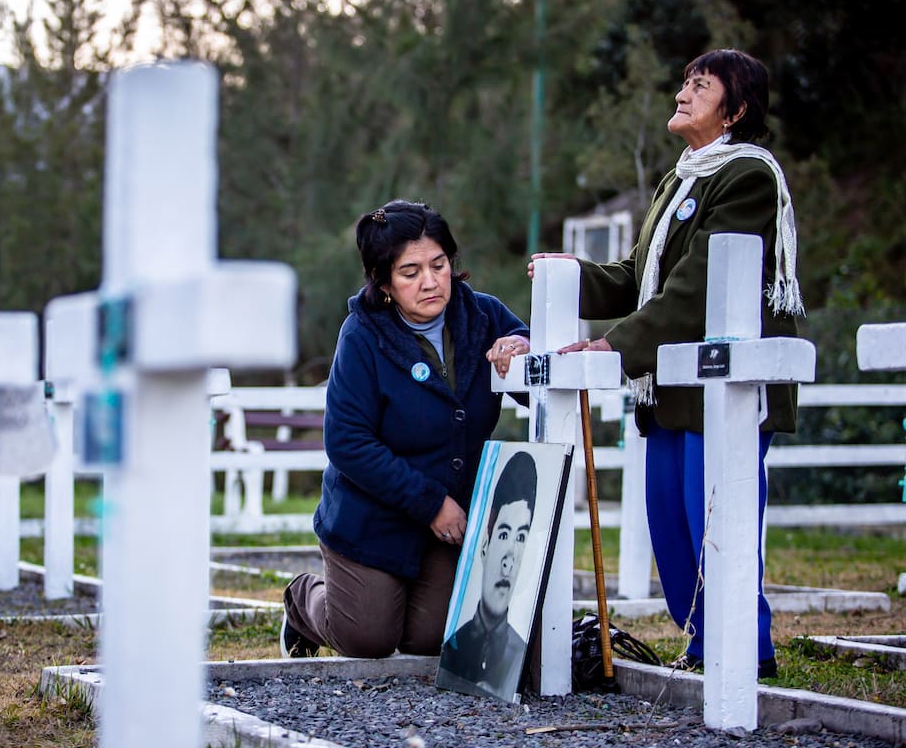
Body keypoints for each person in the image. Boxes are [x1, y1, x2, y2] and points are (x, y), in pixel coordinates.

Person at [531, 48, 803, 679]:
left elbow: (696, 286)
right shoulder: (679, 179)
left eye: (700, 86)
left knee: (717, 524)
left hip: (724, 388)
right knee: (671, 527)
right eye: (684, 81)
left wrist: (614, 346)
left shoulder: (748, 178)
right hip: (671, 391)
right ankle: (706, 646)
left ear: (734, 110)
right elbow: (639, 278)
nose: (682, 93)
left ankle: (743, 651)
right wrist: (571, 276)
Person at [280, 199, 531, 659]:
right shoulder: (362, 335)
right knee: (368, 639)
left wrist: (524, 349)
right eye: (411, 272)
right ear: (384, 282)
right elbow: (347, 443)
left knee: (428, 641)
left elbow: (540, 379)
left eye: (439, 265)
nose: (431, 281)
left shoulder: (485, 317)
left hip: (446, 524)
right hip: (373, 517)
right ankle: (302, 600)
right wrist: (431, 504)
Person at [435, 450, 537, 700]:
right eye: (503, 535)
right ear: (484, 547)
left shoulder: (520, 652)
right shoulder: (453, 643)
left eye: (521, 537)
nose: (509, 560)